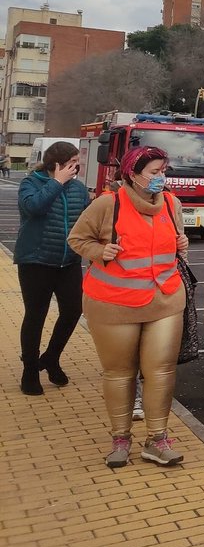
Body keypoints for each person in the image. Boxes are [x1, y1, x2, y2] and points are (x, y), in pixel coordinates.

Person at [67, 146, 189, 468]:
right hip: (113, 304)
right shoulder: (109, 203)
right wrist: (100, 251)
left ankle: (157, 439)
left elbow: (174, 243)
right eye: (154, 172)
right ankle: (120, 439)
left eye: (163, 171)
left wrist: (182, 243)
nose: (161, 177)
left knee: (161, 371)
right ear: (133, 175)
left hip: (164, 298)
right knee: (120, 373)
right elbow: (77, 239)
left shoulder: (172, 204)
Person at [15, 141, 90, 396]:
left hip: (68, 261)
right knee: (36, 315)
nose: (77, 166)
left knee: (73, 311)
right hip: (35, 261)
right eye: (72, 162)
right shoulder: (31, 183)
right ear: (57, 164)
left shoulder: (79, 190)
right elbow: (34, 208)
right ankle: (29, 370)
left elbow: (89, 222)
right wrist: (56, 183)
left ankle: (51, 358)